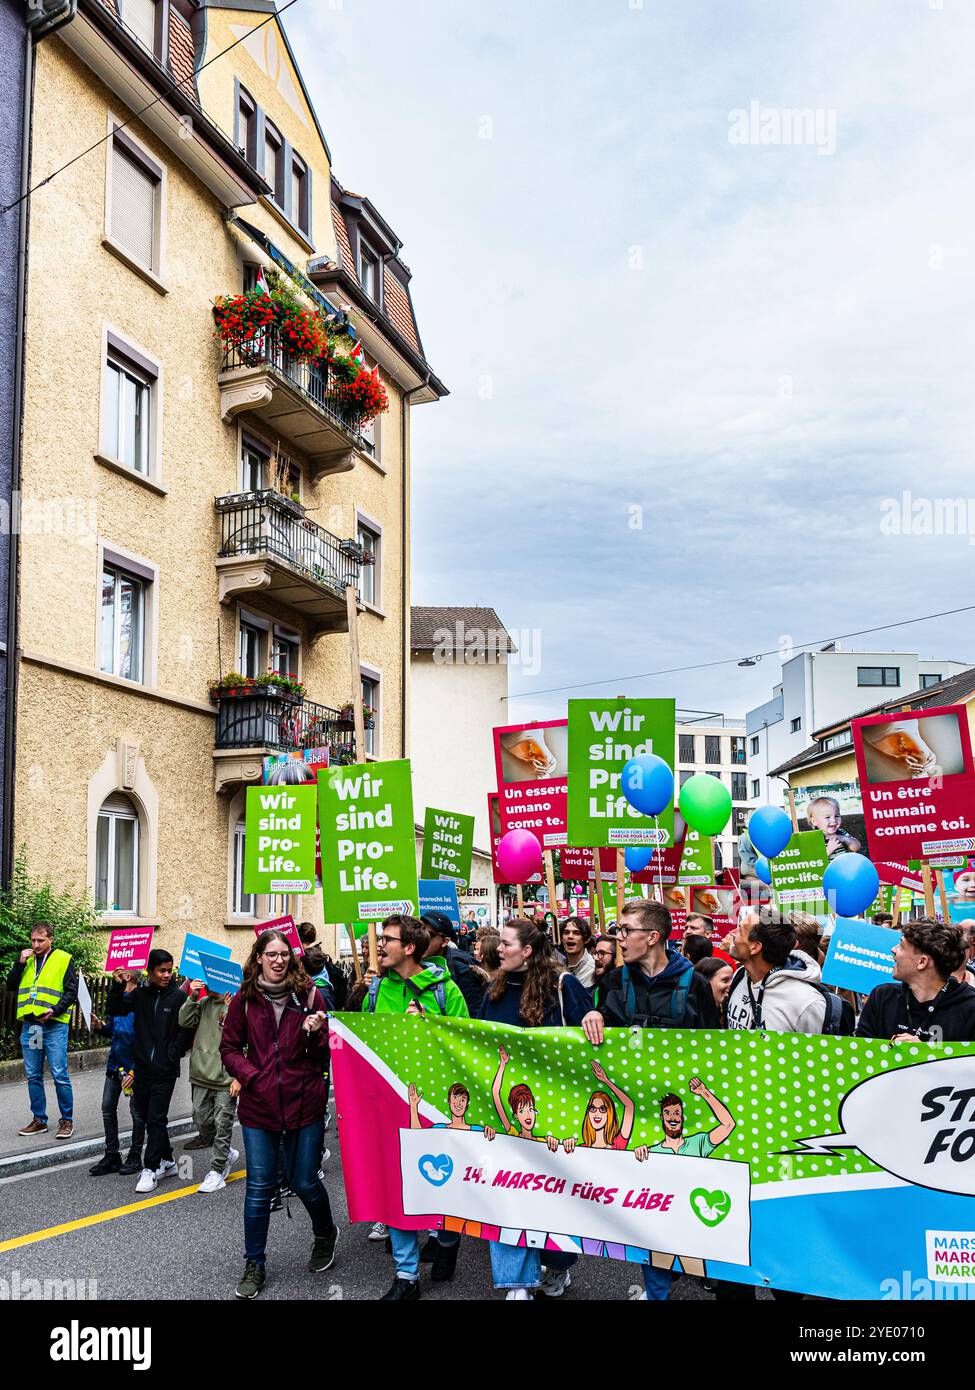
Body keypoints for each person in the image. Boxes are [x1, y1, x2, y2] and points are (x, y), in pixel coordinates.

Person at [581, 899, 720, 1299]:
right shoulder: (610, 983)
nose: (618, 937)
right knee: (647, 1209)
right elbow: (590, 1045)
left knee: (683, 1208)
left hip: (683, 1118)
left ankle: (687, 1263)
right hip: (636, 1118)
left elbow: (715, 1051)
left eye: (626, 930)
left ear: (653, 937)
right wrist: (593, 1018)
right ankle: (657, 1291)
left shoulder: (694, 984)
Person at [220, 928, 338, 1299]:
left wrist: (317, 1032)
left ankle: (325, 1233)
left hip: (304, 1102)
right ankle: (254, 1263)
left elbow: (327, 1054)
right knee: (259, 1187)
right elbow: (229, 1048)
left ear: (292, 958)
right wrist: (252, 1077)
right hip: (259, 1106)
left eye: (283, 954)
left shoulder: (310, 996)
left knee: (304, 1180)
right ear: (258, 958)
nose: (277, 960)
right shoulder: (244, 1000)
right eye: (270, 954)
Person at [478, 919, 591, 1300]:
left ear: (527, 951)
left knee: (554, 1198)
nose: (499, 949)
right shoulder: (493, 987)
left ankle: (558, 1265)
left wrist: (594, 1018)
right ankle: (518, 1283)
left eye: (506, 943)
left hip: (553, 1113)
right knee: (506, 1193)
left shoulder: (564, 986)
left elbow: (589, 1045)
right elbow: (473, 1038)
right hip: (502, 1112)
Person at [361, 915, 468, 1298]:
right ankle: (406, 1276)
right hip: (390, 1103)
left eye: (386, 939)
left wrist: (429, 1026)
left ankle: (446, 1242)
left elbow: (465, 1046)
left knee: (441, 1181)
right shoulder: (376, 990)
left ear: (408, 948)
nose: (378, 945)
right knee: (397, 1188)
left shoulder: (445, 991)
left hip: (436, 1105)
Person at [108, 950, 191, 1192]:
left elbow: (185, 1030)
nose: (167, 975)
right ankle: (168, 1160)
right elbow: (116, 1010)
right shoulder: (140, 995)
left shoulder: (178, 997)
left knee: (156, 1118)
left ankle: (150, 1168)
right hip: (142, 1068)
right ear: (150, 971)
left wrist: (173, 1054)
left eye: (169, 970)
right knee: (147, 1118)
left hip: (165, 1071)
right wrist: (117, 986)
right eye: (161, 971)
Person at [8, 921, 78, 1139]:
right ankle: (39, 1120)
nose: (36, 944)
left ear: (51, 940)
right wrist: (19, 964)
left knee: (59, 1074)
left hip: (53, 1025)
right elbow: (11, 985)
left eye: (41, 940)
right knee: (33, 1075)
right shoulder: (26, 961)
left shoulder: (63, 958)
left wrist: (55, 1010)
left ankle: (66, 1121)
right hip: (32, 1027)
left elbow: (71, 991)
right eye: (33, 940)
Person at [856, 920, 975, 1043]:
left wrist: (921, 1054)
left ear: (922, 962)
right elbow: (860, 1053)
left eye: (901, 946)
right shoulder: (882, 997)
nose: (893, 950)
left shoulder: (969, 1008)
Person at [725, 907, 839, 1034]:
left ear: (755, 947)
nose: (732, 933)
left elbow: (818, 1051)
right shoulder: (739, 976)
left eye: (740, 930)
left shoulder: (807, 1003)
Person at [178, 979, 239, 1194]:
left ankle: (217, 1169)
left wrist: (239, 1077)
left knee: (223, 1124)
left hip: (225, 1078)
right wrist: (192, 997)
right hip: (201, 1075)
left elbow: (245, 1041)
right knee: (201, 1120)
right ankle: (226, 1152)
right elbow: (184, 1021)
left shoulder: (237, 1005)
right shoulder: (202, 1003)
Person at [88, 995, 145, 1176]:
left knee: (136, 1112)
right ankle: (112, 1155)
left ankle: (135, 1156)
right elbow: (113, 1031)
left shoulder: (142, 1001)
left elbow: (147, 1040)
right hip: (115, 1065)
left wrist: (134, 1071)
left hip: (135, 1067)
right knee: (107, 1108)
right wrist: (100, 1026)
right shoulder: (117, 1000)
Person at [420, 910, 487, 1015]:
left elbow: (473, 1015)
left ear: (445, 941)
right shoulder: (411, 963)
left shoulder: (462, 969)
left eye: (429, 934)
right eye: (419, 932)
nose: (421, 938)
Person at [561, 916, 595, 988]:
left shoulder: (593, 970)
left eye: (576, 933)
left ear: (586, 939)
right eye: (566, 932)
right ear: (561, 938)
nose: (570, 936)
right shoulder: (557, 967)